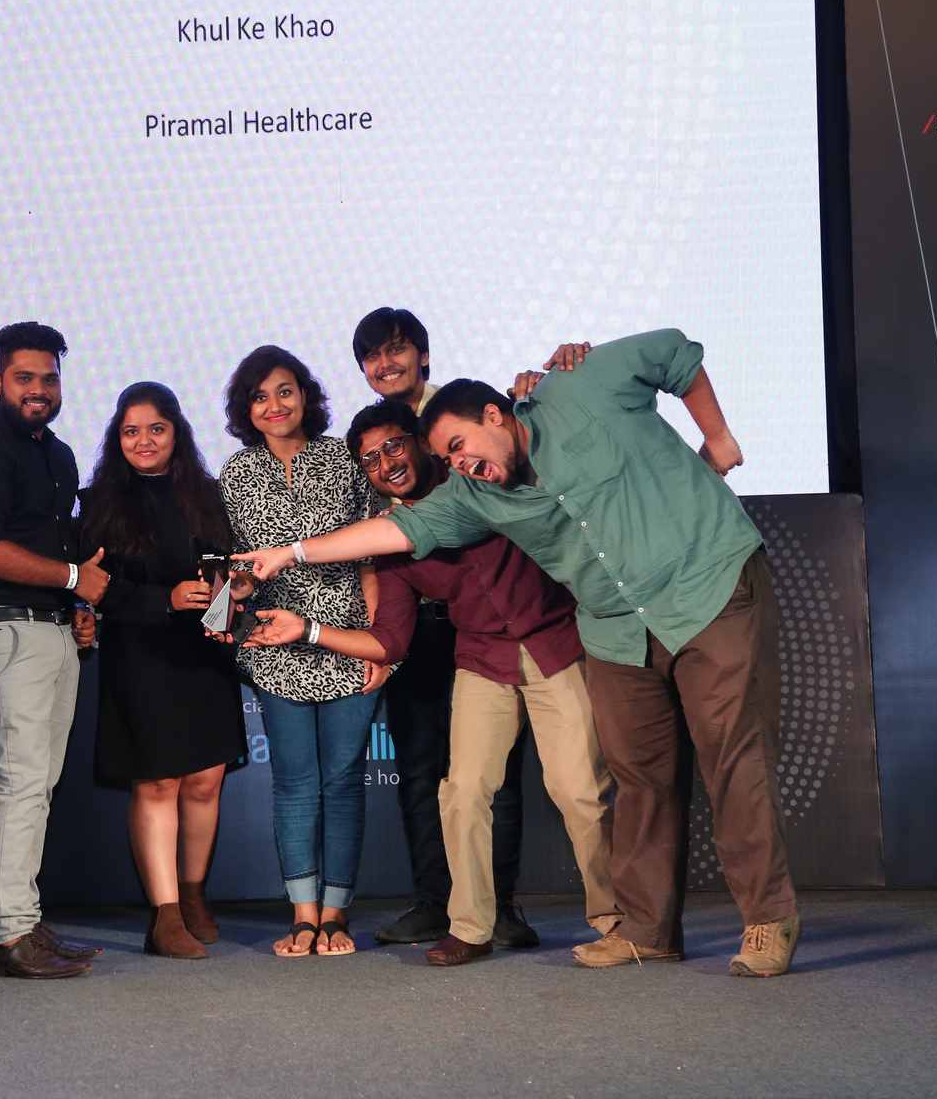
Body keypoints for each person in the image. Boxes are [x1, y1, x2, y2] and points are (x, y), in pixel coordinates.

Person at [237, 329, 800, 977]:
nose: (459, 464)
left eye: (458, 446)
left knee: (716, 764)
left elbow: (675, 352)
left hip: (699, 589)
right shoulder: (471, 496)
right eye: (447, 458)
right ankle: (643, 931)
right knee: (638, 782)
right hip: (608, 630)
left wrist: (719, 437)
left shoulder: (576, 388)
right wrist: (290, 553)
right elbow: (395, 534)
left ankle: (763, 919)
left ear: (494, 415)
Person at [243, 400, 621, 966]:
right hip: (482, 658)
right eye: (370, 460)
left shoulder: (475, 478)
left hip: (552, 643)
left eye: (394, 446)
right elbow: (389, 641)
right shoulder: (393, 544)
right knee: (462, 791)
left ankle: (615, 920)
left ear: (423, 443)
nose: (386, 464)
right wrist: (308, 629)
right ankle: (470, 927)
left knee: (579, 791)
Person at [350, 307, 536, 948]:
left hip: (482, 623)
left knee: (492, 772)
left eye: (397, 350)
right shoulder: (367, 441)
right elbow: (376, 550)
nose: (386, 365)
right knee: (420, 768)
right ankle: (435, 902)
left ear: (423, 355)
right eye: (373, 357)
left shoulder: (459, 421)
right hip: (414, 628)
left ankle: (500, 906)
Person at [0, 321, 111, 979]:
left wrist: (77, 608)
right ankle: (11, 935)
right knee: (21, 783)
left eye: (48, 378)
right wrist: (73, 581)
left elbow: (58, 549)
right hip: (2, 631)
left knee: (37, 785)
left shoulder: (59, 456)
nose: (38, 389)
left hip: (48, 630)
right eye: (24, 378)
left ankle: (25, 923)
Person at [218, 346, 385, 958]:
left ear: (306, 395)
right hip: (273, 647)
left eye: (284, 391)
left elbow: (372, 560)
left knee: (342, 781)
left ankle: (337, 914)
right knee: (294, 782)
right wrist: (234, 592)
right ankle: (303, 916)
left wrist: (380, 646)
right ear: (246, 409)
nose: (274, 405)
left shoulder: (343, 459)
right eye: (259, 396)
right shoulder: (235, 475)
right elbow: (232, 573)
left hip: (348, 642)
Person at [76, 382, 247, 958]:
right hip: (141, 656)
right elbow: (98, 590)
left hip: (204, 655)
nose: (143, 440)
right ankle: (165, 915)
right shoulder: (99, 503)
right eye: (131, 431)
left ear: (177, 432)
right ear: (116, 438)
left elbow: (225, 571)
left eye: (156, 428)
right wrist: (164, 601)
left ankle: (193, 894)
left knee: (204, 781)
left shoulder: (209, 495)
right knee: (157, 783)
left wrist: (227, 604)